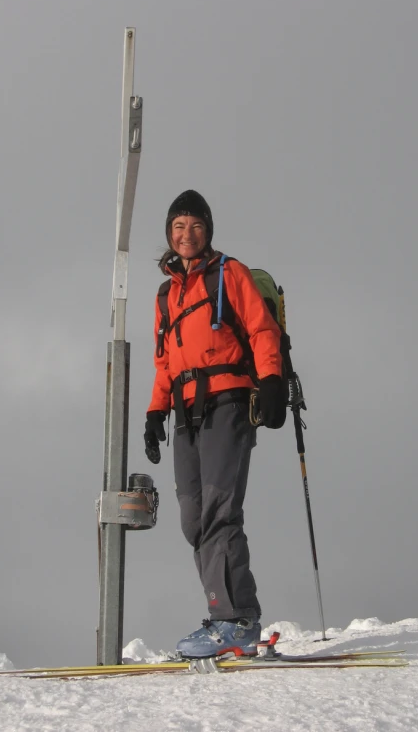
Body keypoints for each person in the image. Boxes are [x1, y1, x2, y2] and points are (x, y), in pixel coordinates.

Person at [144, 189, 286, 658]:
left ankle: (236, 619)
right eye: (180, 226)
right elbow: (164, 363)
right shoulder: (166, 294)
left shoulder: (230, 273)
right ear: (169, 233)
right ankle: (224, 614)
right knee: (193, 520)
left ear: (208, 232)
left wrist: (270, 383)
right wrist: (153, 413)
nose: (188, 234)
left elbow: (263, 330)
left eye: (197, 226)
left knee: (220, 511)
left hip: (228, 401)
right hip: (185, 412)